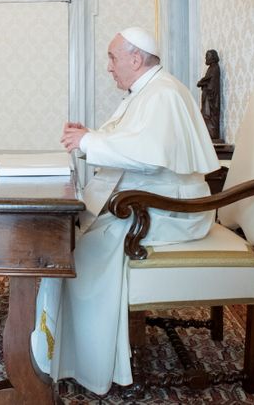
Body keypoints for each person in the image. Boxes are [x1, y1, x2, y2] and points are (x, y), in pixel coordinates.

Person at [30, 27, 219, 394]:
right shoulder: (147, 91)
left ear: (136, 58)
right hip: (153, 201)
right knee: (70, 238)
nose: (108, 67)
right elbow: (133, 142)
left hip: (170, 211)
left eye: (113, 58)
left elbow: (147, 155)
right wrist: (91, 137)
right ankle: (65, 348)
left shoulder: (162, 93)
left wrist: (89, 141)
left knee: (80, 253)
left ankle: (86, 360)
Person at [197, 49, 221, 141]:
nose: (206, 58)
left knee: (209, 115)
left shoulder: (215, 68)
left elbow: (208, 80)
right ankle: (208, 134)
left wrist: (201, 82)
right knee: (205, 115)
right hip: (208, 96)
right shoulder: (211, 68)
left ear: (213, 57)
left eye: (207, 56)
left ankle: (212, 134)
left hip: (211, 98)